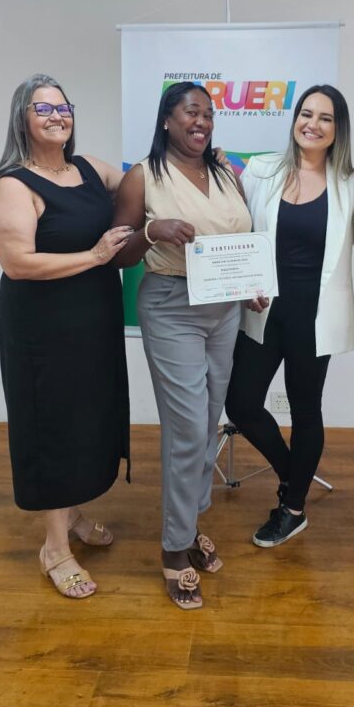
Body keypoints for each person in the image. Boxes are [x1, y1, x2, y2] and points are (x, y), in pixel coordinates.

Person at [0, 74, 132, 599]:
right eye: (42, 109)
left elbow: (142, 184)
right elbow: (18, 263)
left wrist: (206, 161)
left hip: (94, 318)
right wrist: (94, 256)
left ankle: (71, 513)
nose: (55, 116)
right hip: (42, 329)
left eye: (62, 107)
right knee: (52, 425)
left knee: (88, 418)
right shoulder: (13, 184)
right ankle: (54, 547)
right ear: (22, 119)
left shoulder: (88, 167)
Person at [112, 81, 251, 610]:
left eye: (209, 115)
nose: (202, 122)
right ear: (167, 119)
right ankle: (174, 549)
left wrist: (250, 286)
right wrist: (152, 233)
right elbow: (118, 253)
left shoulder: (225, 171)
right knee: (188, 428)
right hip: (172, 306)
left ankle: (189, 527)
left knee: (208, 422)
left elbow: (238, 242)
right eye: (192, 112)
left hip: (225, 309)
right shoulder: (143, 176)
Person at [225, 85, 354, 547]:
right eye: (306, 113)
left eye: (325, 118)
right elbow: (238, 231)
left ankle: (293, 508)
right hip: (264, 312)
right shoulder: (262, 170)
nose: (313, 124)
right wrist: (242, 284)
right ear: (295, 119)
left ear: (338, 129)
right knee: (241, 403)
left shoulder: (353, 184)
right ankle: (293, 476)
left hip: (315, 318)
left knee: (306, 410)